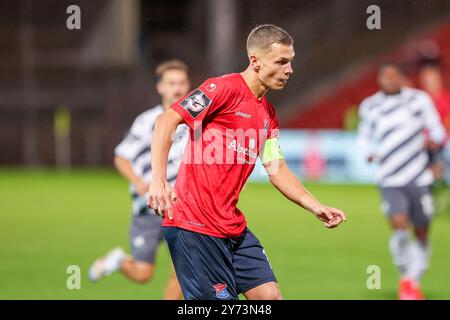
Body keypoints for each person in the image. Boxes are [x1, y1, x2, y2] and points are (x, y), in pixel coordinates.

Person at [147, 24, 346, 300]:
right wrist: (157, 178)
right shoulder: (222, 88)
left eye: (290, 62)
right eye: (281, 62)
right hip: (193, 225)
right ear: (255, 61)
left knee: (269, 296)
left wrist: (315, 206)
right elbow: (166, 120)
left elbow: (276, 169)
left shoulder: (268, 114)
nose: (290, 70)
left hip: (231, 226)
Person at [88, 60, 191, 300]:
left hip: (183, 208)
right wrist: (139, 182)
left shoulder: (196, 121)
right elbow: (121, 157)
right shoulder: (148, 121)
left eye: (181, 83)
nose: (177, 88)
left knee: (182, 272)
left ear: (188, 86)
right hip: (149, 207)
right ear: (160, 88)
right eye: (171, 83)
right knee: (143, 273)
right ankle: (119, 261)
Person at [357, 63, 446, 300]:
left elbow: (436, 129)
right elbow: (364, 136)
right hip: (390, 177)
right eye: (386, 77)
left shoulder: (419, 100)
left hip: (419, 176)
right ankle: (406, 278)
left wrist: (437, 149)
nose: (390, 80)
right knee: (399, 225)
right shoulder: (371, 106)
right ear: (379, 80)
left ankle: (412, 280)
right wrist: (368, 152)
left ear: (401, 78)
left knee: (422, 230)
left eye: (394, 76)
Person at [419, 64, 450, 180]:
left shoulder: (446, 98)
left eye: (433, 78)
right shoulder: (420, 99)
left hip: (443, 141)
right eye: (427, 78)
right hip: (424, 142)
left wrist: (440, 140)